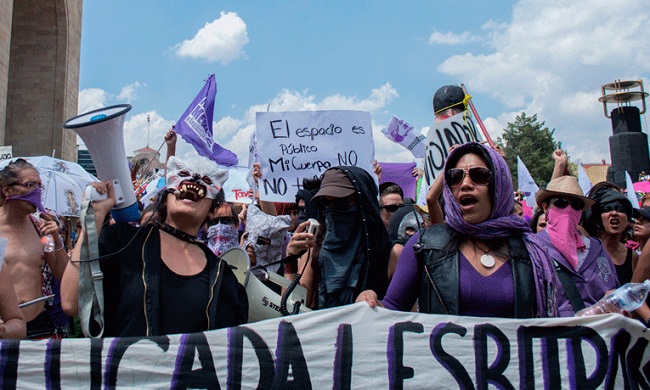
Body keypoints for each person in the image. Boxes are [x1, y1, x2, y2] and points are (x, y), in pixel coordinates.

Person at [357, 142, 559, 318]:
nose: (465, 184)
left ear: (500, 184)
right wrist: (371, 305)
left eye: (479, 175)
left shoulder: (531, 251)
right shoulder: (424, 246)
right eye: (454, 176)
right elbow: (393, 309)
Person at [61, 155, 248, 337]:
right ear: (166, 197)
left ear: (211, 210)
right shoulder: (123, 241)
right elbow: (72, 302)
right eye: (183, 174)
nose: (194, 180)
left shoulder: (222, 277)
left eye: (205, 180)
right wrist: (92, 222)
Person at [312, 166, 401, 308]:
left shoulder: (393, 254)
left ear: (364, 202)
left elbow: (407, 314)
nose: (333, 209)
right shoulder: (315, 250)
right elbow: (292, 312)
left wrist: (378, 306)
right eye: (326, 202)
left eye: (341, 202)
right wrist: (290, 263)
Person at [0, 159, 69, 338]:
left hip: (39, 327)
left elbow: (63, 275)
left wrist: (57, 240)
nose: (36, 192)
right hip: (4, 330)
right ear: (6, 190)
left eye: (40, 186)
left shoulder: (41, 229)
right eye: (30, 185)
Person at [535, 176, 618, 316]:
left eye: (576, 205)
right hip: (554, 334)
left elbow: (612, 289)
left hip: (596, 333)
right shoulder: (533, 247)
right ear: (545, 208)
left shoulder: (596, 249)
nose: (568, 209)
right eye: (560, 203)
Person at [582, 183, 637, 285]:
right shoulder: (587, 250)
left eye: (620, 209)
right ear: (597, 220)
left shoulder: (632, 256)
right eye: (607, 209)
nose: (614, 213)